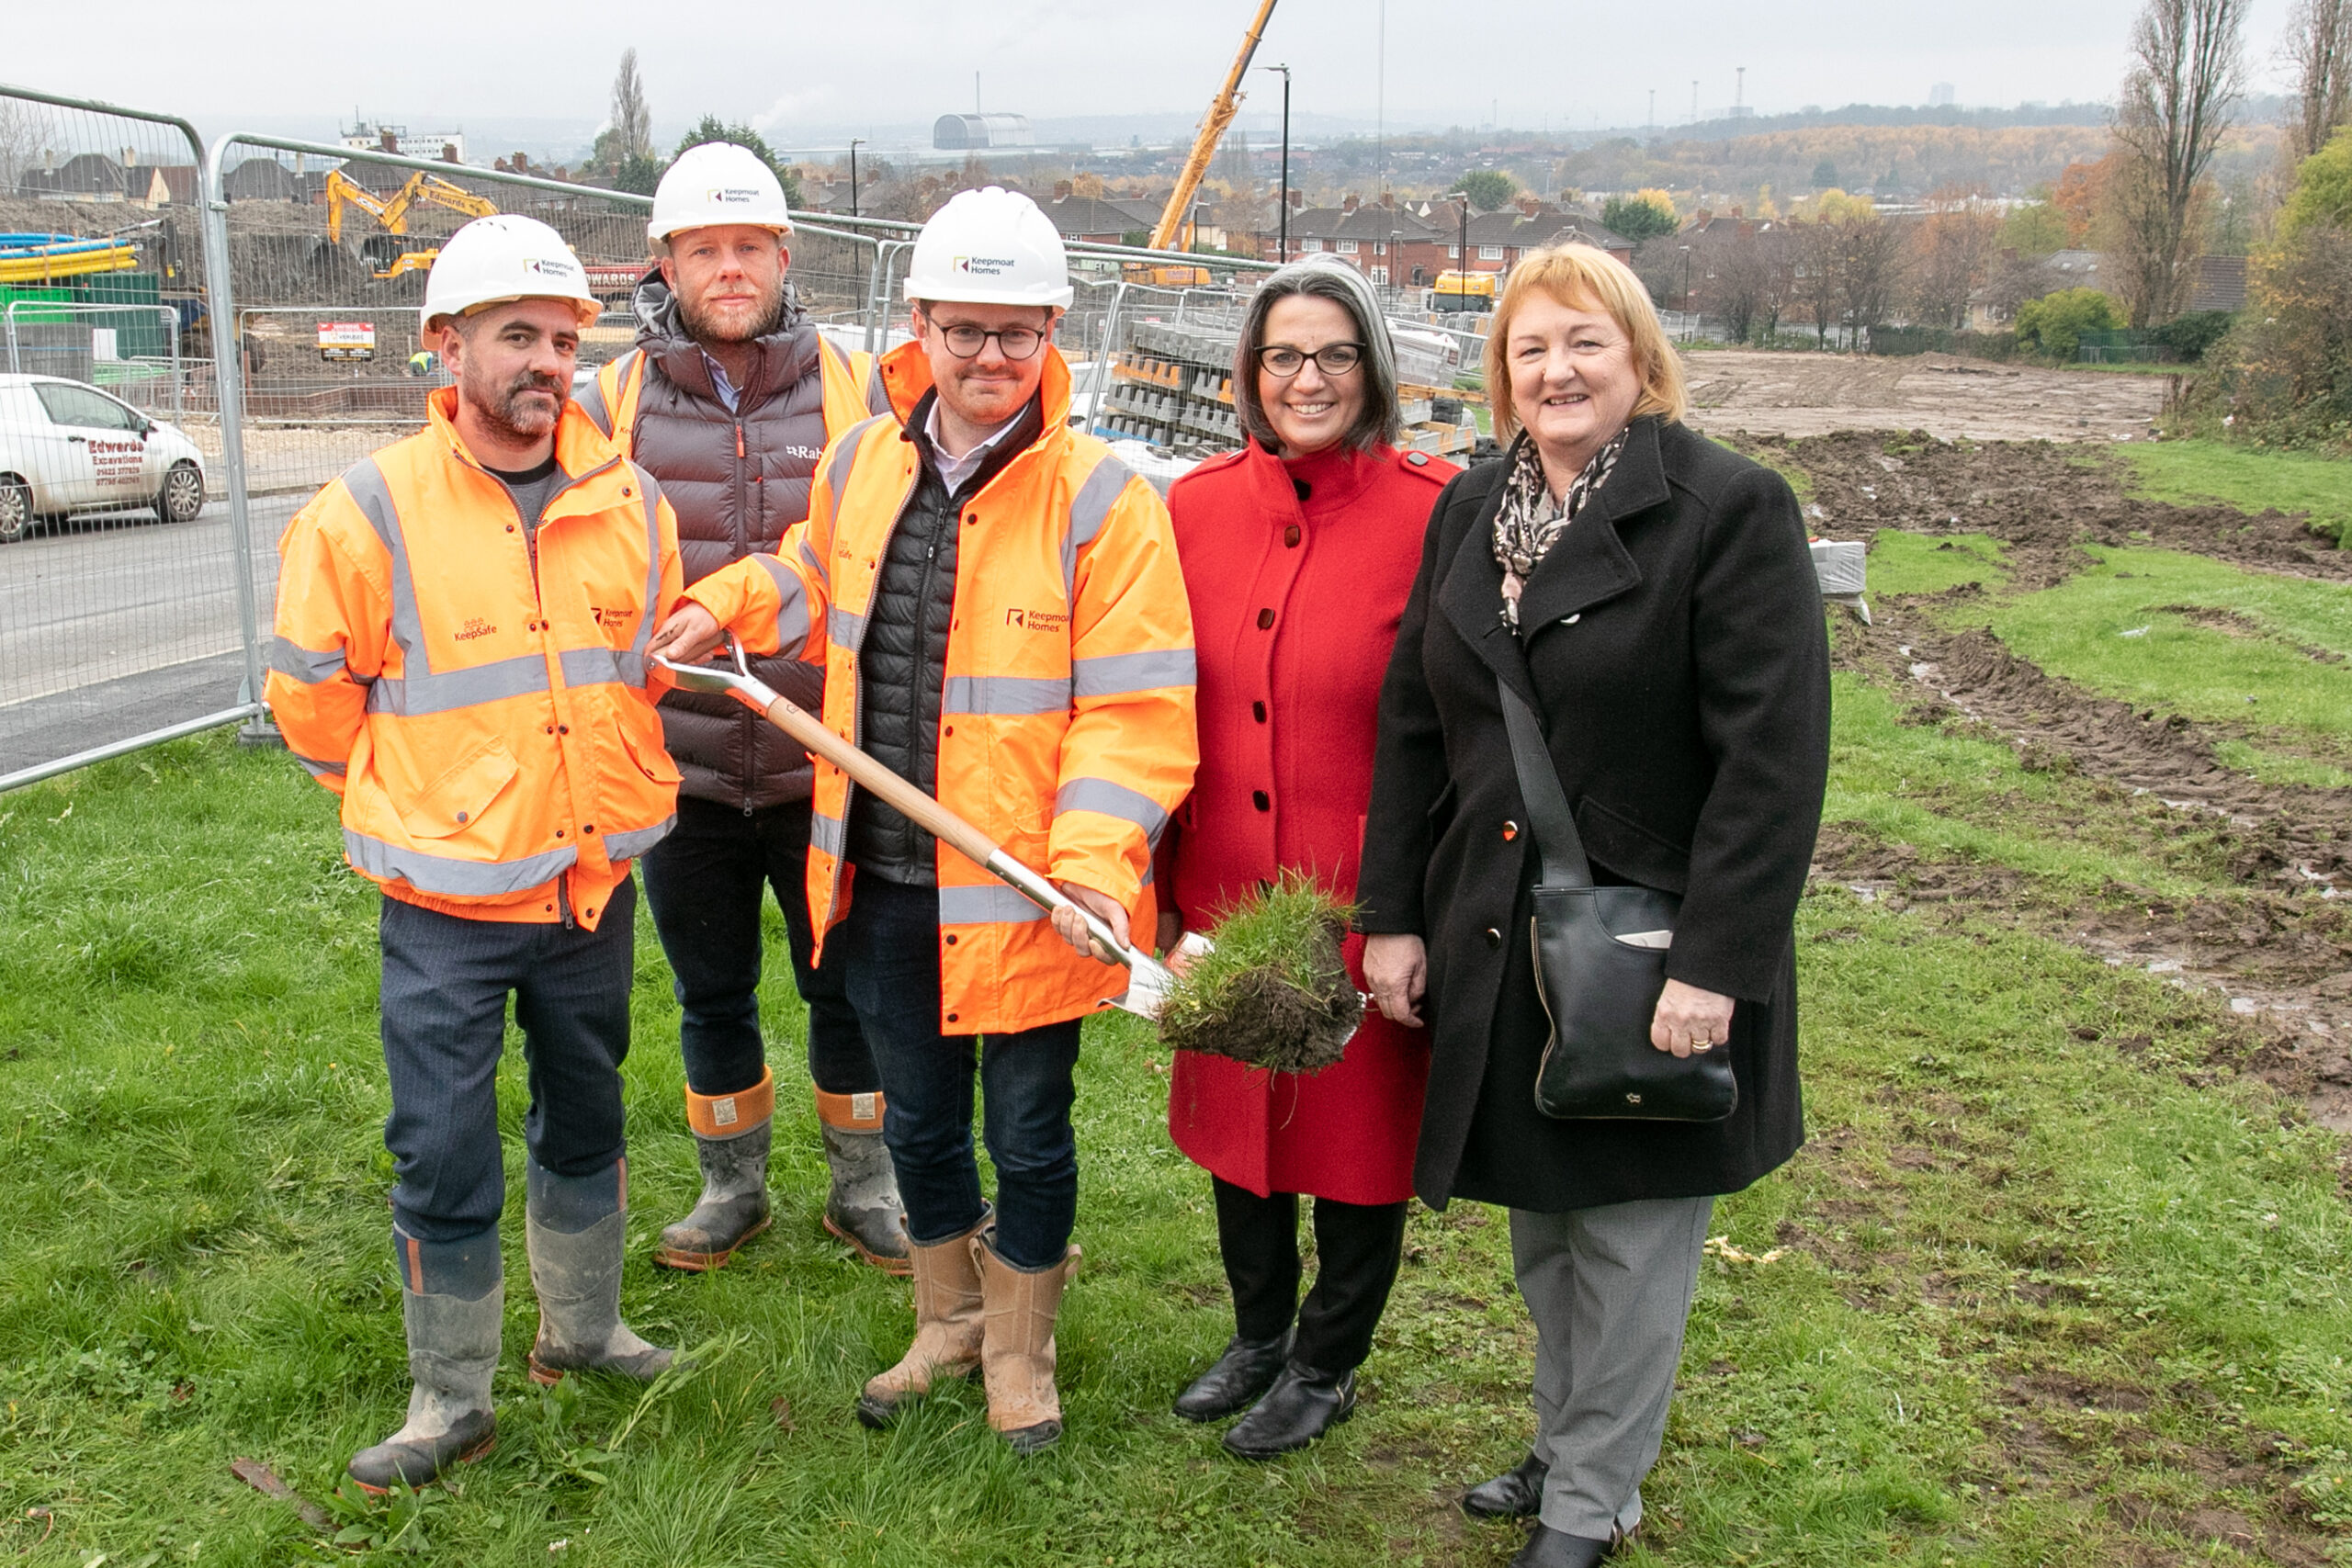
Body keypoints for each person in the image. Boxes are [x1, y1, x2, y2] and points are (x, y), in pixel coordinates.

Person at [650, 186, 1197, 1454]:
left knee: (1030, 1124)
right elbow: (812, 571)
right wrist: (729, 599)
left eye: (1017, 332)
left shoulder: (1105, 503)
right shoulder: (863, 460)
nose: (990, 357)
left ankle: (1020, 1347)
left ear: (1054, 328)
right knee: (920, 1116)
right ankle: (947, 1318)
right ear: (921, 323)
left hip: (1031, 887)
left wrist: (1091, 865)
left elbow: (1136, 709)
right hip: (883, 868)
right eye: (966, 329)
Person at [266, 216, 776, 1495]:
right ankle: (450, 1393)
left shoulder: (631, 505)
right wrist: (410, 795)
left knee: (587, 1103)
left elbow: (641, 674)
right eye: (516, 337)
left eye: (563, 339)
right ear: (446, 347)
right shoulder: (369, 509)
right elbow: (311, 693)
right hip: (444, 900)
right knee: (441, 1140)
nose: (547, 362)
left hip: (589, 885)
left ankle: (584, 1327)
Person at [1356, 243, 1830, 1568]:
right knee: (1547, 1227)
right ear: (1501, 374)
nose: (1555, 370)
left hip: (1649, 947)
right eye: (1528, 347)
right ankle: (1579, 1448)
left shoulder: (1729, 510)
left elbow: (1773, 762)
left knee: (1628, 1239)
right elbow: (1412, 721)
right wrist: (1394, 912)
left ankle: (1587, 1503)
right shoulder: (1472, 509)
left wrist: (1716, 965)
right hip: (1500, 931)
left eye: (1584, 343)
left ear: (1640, 358)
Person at [573, 142, 908, 1276]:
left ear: (784, 253)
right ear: (664, 263)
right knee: (712, 993)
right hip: (686, 767)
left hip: (829, 761)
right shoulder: (610, 403)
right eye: (703, 250)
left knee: (845, 990)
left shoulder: (862, 388)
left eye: (747, 247)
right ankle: (733, 1189)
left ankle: (866, 1191)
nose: (728, 269)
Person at [1152, 257, 1453, 1459]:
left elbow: (1453, 722)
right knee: (1245, 1118)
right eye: (1285, 355)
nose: (1309, 377)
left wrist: (1409, 904)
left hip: (1367, 891)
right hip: (1225, 877)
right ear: (1250, 371)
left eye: (1334, 354)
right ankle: (1259, 1331)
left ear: (1372, 368)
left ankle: (1328, 1359)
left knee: (1356, 1139)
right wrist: (1165, 885)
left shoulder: (1435, 513)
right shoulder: (1193, 507)